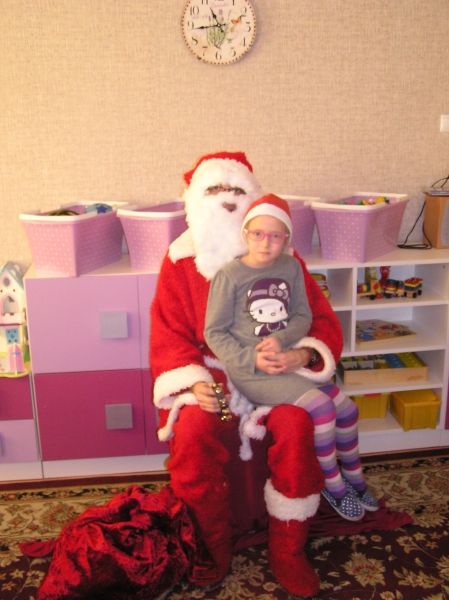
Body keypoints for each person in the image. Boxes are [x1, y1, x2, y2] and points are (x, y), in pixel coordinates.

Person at [150, 152, 345, 598]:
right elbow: (169, 332)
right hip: (214, 378)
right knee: (194, 430)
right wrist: (193, 383)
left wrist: (300, 355)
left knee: (296, 426)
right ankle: (212, 546)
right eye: (214, 190)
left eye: (236, 189)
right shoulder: (179, 259)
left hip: (275, 374)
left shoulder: (283, 257)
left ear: (253, 200)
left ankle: (288, 548)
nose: (225, 199)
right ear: (195, 200)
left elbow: (318, 319)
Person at [204, 194, 379, 524]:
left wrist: (283, 340)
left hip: (287, 361)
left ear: (286, 238)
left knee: (348, 410)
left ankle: (354, 476)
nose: (265, 242)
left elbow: (302, 315)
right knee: (323, 408)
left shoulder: (291, 266)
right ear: (245, 234)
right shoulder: (229, 276)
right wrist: (251, 360)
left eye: (275, 235)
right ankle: (331, 483)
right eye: (258, 233)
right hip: (253, 372)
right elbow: (214, 332)